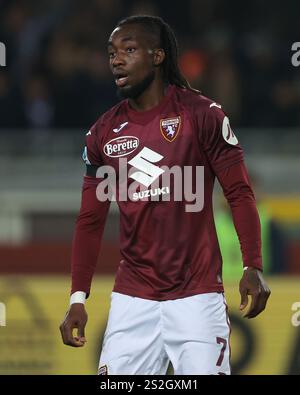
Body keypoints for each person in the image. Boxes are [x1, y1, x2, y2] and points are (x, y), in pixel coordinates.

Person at [59, 15, 271, 375]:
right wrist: (77, 297)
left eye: (128, 50)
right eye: (112, 52)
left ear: (158, 56)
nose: (116, 60)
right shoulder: (102, 134)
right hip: (132, 300)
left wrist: (253, 264)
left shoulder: (202, 115)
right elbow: (90, 221)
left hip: (197, 297)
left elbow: (238, 192)